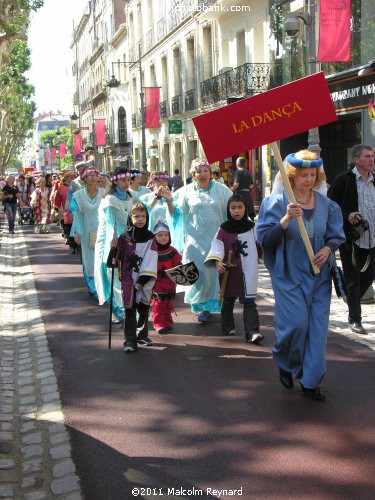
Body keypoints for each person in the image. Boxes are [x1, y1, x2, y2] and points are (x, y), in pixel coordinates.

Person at [256, 150, 345, 401]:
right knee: (296, 324)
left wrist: (327, 249)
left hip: (319, 275)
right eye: (303, 175)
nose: (308, 179)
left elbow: (336, 236)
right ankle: (286, 362)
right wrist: (285, 220)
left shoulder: (327, 205)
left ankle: (310, 381)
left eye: (312, 174)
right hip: (288, 273)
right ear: (291, 176)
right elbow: (265, 240)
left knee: (317, 329)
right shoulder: (273, 204)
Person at [172, 158, 232, 322]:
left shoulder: (222, 190)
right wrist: (167, 201)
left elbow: (233, 209)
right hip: (194, 241)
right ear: (193, 174)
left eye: (205, 170)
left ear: (211, 173)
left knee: (214, 273)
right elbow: (175, 212)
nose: (203, 174)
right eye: (199, 171)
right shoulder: (185, 192)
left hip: (216, 239)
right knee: (198, 272)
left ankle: (215, 304)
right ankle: (202, 306)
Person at [328, 144, 375, 335]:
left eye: (372, 156)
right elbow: (330, 205)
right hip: (351, 239)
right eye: (367, 156)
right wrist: (348, 214)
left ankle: (349, 296)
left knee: (369, 276)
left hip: (373, 239)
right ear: (356, 160)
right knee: (353, 279)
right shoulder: (345, 179)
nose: (371, 159)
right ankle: (355, 319)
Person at [205, 194, 262, 343]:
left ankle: (252, 332)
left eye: (240, 207)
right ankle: (228, 326)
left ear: (245, 208)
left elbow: (262, 244)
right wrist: (217, 262)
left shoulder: (252, 228)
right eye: (233, 208)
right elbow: (216, 246)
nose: (236, 211)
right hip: (229, 271)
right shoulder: (223, 229)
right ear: (228, 209)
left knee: (249, 301)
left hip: (248, 270)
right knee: (228, 300)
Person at [115, 202, 158, 352]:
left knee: (143, 308)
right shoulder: (124, 236)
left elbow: (151, 259)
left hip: (144, 280)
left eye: (143, 216)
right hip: (127, 278)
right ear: (130, 218)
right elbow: (115, 260)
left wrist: (141, 281)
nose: (140, 219)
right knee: (129, 310)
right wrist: (113, 249)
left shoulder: (150, 238)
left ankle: (142, 335)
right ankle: (129, 341)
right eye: (136, 216)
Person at [94, 167, 135, 323]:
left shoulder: (131, 196)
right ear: (116, 181)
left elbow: (143, 209)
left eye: (128, 180)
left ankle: (124, 307)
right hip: (113, 242)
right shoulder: (110, 199)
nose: (126, 183)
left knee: (126, 276)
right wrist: (114, 241)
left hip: (128, 241)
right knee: (114, 277)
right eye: (123, 180)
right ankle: (118, 309)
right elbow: (111, 223)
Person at [71, 167, 105, 297]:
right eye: (89, 175)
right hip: (85, 231)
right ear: (84, 178)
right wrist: (76, 232)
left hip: (102, 230)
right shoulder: (78, 195)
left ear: (98, 178)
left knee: (102, 257)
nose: (92, 177)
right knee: (89, 259)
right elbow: (77, 215)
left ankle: (102, 284)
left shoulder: (105, 193)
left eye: (94, 175)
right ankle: (93, 287)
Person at [151, 220, 182, 334]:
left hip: (170, 283)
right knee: (159, 304)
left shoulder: (172, 251)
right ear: (154, 237)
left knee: (168, 303)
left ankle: (167, 321)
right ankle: (158, 323)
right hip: (157, 283)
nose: (163, 237)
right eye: (160, 235)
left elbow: (178, 263)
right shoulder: (152, 252)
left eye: (166, 235)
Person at [54, 169, 78, 253]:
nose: (73, 179)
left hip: (78, 212)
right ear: (66, 178)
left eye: (74, 177)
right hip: (67, 213)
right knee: (69, 229)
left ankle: (78, 246)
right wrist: (56, 209)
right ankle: (72, 246)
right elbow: (57, 200)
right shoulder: (61, 188)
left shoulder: (79, 186)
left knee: (77, 229)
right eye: (71, 177)